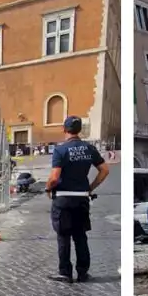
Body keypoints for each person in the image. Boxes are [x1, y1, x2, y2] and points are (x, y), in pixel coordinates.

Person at [47, 116, 110, 283]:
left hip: (63, 199)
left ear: (64, 129)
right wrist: (90, 187)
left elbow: (54, 178)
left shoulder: (60, 150)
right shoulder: (89, 148)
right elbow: (104, 170)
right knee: (80, 236)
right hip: (82, 198)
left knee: (63, 236)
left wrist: (47, 188)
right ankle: (83, 272)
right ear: (79, 130)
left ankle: (65, 272)